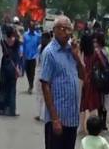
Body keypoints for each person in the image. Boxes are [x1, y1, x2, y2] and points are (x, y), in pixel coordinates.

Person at [41, 15, 84, 149]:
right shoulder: (50, 53)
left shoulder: (71, 50)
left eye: (69, 29)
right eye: (63, 29)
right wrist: (54, 118)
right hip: (57, 119)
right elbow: (45, 84)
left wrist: (77, 56)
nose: (67, 32)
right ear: (54, 31)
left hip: (71, 119)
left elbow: (83, 75)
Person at [80, 33, 101, 134]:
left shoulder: (81, 54)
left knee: (84, 106)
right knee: (92, 105)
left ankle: (84, 127)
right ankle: (92, 128)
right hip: (92, 82)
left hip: (83, 81)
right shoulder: (95, 53)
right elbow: (103, 64)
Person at [0, 26, 21, 116]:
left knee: (2, 88)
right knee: (12, 89)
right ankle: (12, 110)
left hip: (4, 66)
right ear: (13, 33)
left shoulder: (3, 42)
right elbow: (18, 55)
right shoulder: (17, 42)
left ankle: (1, 109)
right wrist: (18, 67)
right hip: (13, 66)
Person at [93, 31, 109, 131]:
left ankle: (100, 122)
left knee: (100, 101)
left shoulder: (96, 51)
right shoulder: (107, 50)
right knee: (105, 101)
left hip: (99, 78)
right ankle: (103, 123)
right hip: (106, 78)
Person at [34, 31, 52, 121]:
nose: (42, 40)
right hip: (42, 73)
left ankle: (42, 114)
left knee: (42, 94)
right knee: (42, 94)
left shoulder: (47, 49)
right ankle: (41, 114)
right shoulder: (44, 48)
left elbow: (38, 62)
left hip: (42, 73)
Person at [23, 20, 41, 94]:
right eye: (31, 26)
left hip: (33, 57)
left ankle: (31, 85)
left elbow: (39, 46)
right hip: (26, 56)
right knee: (27, 72)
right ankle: (30, 83)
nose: (32, 28)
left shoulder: (38, 36)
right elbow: (22, 45)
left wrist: (39, 55)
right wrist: (21, 52)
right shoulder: (25, 35)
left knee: (32, 72)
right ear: (29, 27)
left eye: (33, 27)